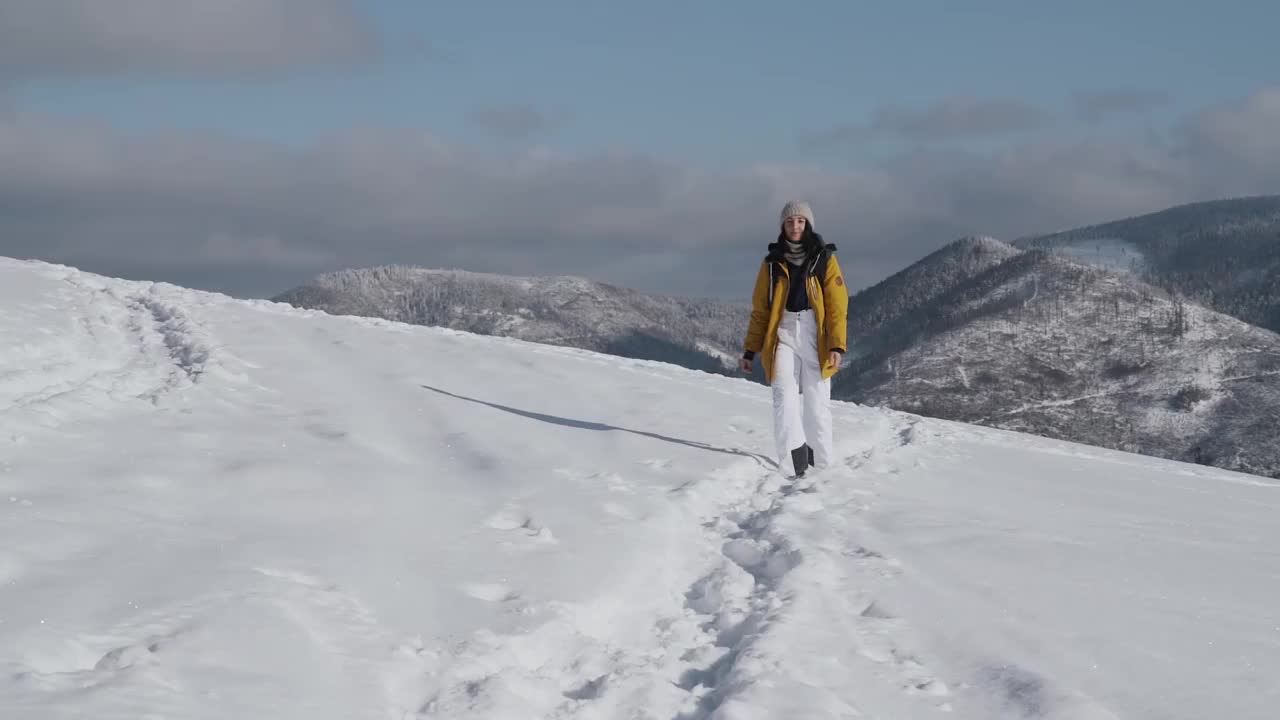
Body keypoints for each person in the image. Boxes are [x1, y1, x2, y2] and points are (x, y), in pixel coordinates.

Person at [740, 200, 848, 478]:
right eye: (790, 221)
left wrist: (837, 345)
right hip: (783, 333)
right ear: (783, 226)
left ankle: (822, 468)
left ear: (808, 224)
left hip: (816, 335)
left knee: (816, 404)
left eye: (800, 221)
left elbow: (837, 306)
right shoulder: (772, 263)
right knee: (783, 396)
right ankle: (792, 465)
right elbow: (761, 310)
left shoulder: (824, 258)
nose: (795, 226)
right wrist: (750, 350)